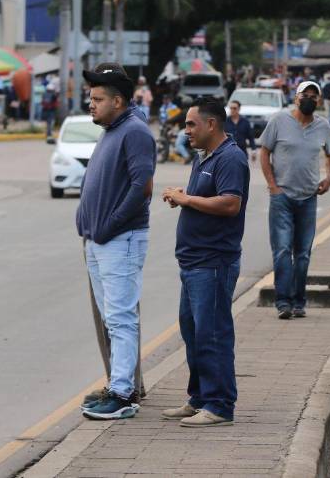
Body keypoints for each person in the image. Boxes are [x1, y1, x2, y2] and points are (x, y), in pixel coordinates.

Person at [161, 97, 250, 428]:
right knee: (193, 331)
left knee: (212, 333)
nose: (186, 131)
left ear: (211, 124)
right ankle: (199, 397)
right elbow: (205, 199)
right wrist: (185, 198)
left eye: (190, 124)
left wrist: (187, 199)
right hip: (193, 261)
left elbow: (230, 204)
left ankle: (220, 404)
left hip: (213, 261)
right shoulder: (205, 158)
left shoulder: (231, 158)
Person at [76, 62, 155, 420]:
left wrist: (109, 224)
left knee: (121, 318)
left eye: (97, 98)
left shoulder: (135, 131)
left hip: (119, 239)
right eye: (90, 97)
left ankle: (122, 394)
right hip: (99, 239)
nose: (90, 104)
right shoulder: (112, 129)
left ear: (119, 101)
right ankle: (118, 384)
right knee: (112, 318)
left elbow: (142, 187)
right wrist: (85, 221)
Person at [259, 81, 330, 319]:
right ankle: (283, 302)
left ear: (319, 101)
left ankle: (299, 301)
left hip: (308, 198)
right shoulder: (279, 122)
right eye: (306, 95)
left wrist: (329, 178)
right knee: (282, 250)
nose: (309, 99)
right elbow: (264, 152)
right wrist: (273, 186)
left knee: (302, 254)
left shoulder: (323, 126)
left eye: (314, 96)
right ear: (296, 97)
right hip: (282, 197)